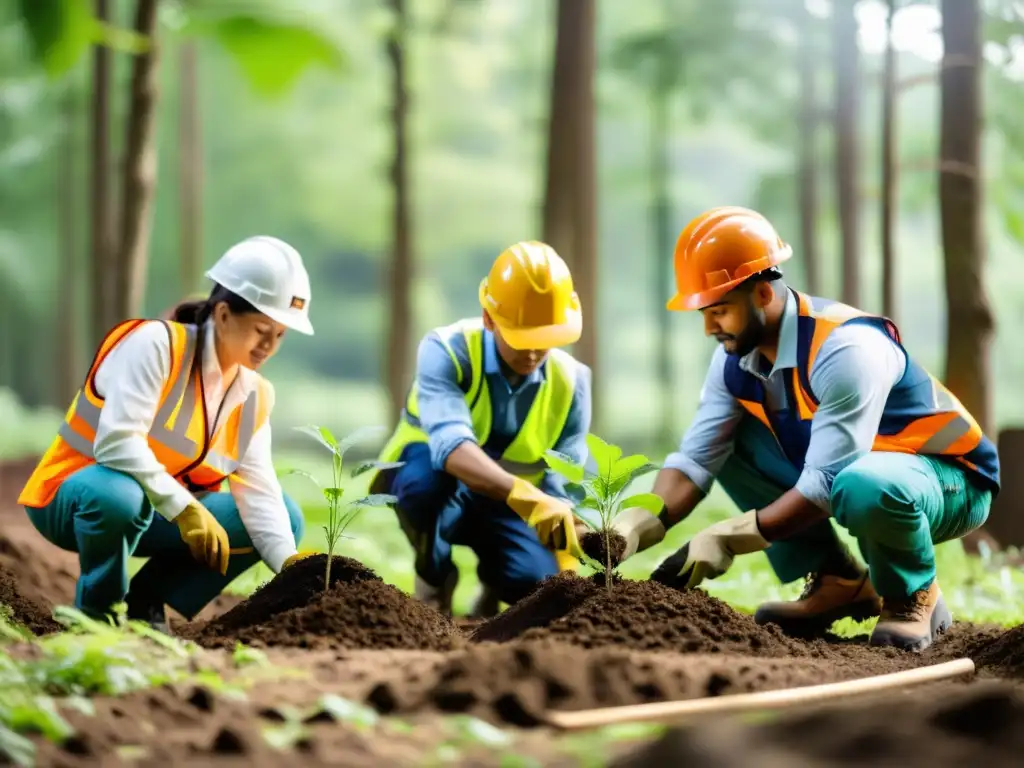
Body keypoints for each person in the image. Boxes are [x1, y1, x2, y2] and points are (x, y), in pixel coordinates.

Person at [608, 206, 999, 652]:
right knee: (735, 444)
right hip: (865, 476)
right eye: (702, 312)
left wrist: (730, 537)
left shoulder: (846, 348)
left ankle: (913, 596)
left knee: (861, 483)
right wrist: (640, 522)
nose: (707, 328)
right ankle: (837, 580)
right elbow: (697, 459)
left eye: (718, 311)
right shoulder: (735, 360)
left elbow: (827, 482)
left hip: (950, 479)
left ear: (762, 294)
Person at [18, 236, 319, 630]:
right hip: (74, 498)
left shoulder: (254, 395)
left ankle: (146, 604)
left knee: (287, 518)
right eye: (262, 329)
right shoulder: (156, 346)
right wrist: (186, 507)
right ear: (224, 314)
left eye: (280, 335)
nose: (269, 346)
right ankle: (96, 616)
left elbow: (258, 491)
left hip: (158, 512)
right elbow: (116, 441)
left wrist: (290, 566)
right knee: (119, 496)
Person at [371, 241, 592, 618]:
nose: (535, 353)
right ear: (489, 318)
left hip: (506, 506)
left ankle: (495, 582)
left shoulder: (572, 382)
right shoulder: (447, 351)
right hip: (438, 484)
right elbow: (451, 448)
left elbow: (562, 485)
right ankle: (434, 578)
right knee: (426, 488)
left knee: (534, 584)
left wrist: (567, 566)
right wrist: (527, 497)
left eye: (546, 338)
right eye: (524, 337)